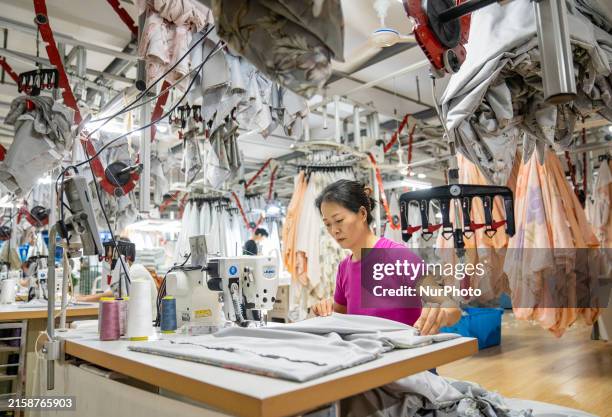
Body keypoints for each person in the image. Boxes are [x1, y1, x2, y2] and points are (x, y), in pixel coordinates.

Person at [310, 179, 462, 336]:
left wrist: (441, 315)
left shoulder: (398, 258)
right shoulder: (344, 268)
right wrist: (324, 309)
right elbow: (340, 316)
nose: (334, 230)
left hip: (405, 356)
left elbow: (452, 308)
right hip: (366, 356)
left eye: (339, 220)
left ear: (362, 214)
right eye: (327, 224)